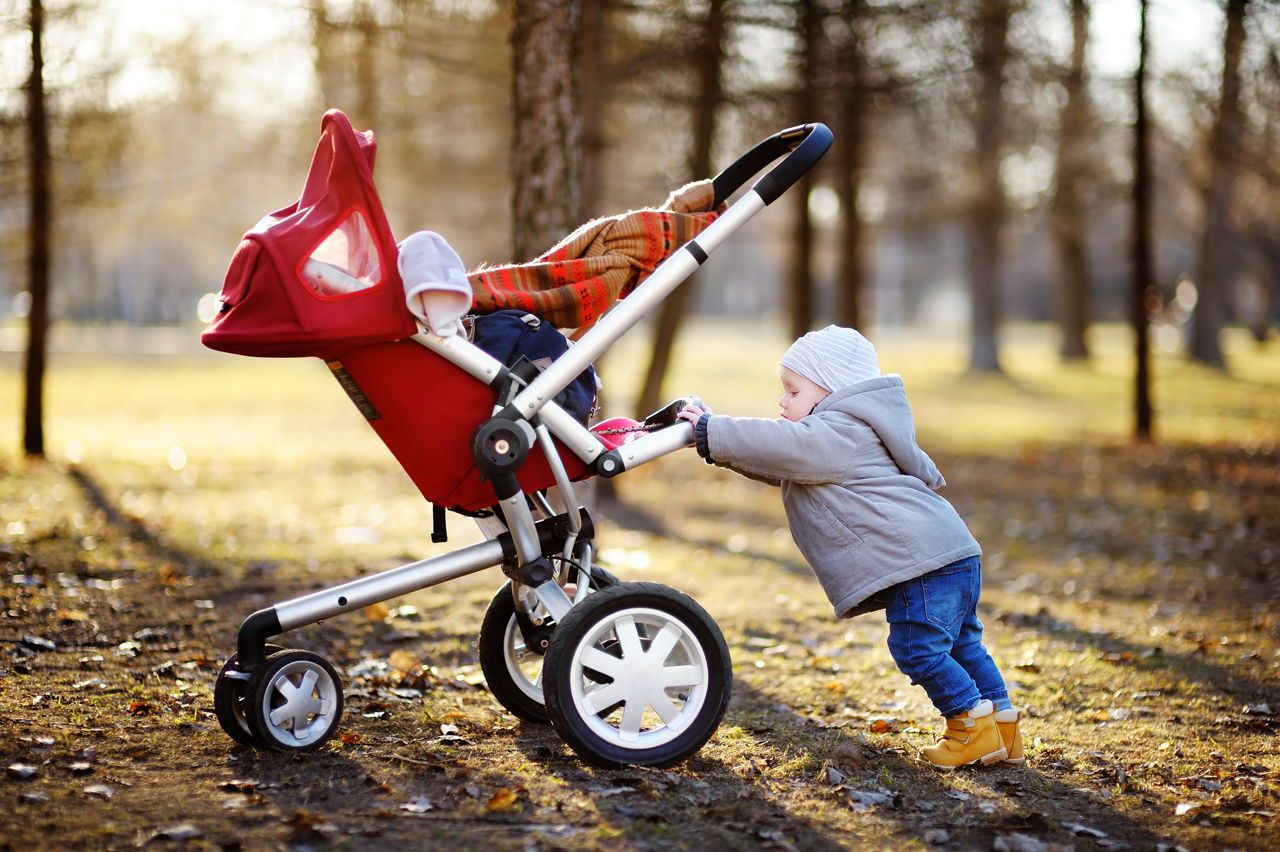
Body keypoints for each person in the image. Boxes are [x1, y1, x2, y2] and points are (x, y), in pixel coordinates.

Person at [678, 325, 1021, 769]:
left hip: (922, 563)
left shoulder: (841, 429)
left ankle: (969, 727)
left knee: (919, 650)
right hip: (949, 553)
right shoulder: (841, 437)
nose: (783, 402)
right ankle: (1003, 731)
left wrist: (712, 429)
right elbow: (779, 461)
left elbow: (786, 447)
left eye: (793, 391)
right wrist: (712, 438)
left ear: (831, 391)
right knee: (962, 646)